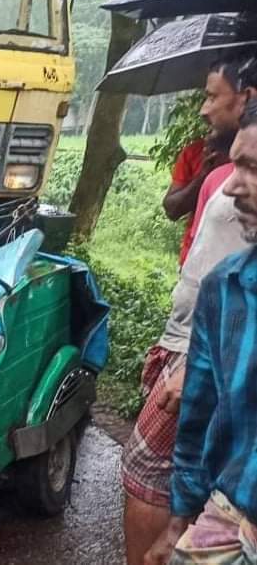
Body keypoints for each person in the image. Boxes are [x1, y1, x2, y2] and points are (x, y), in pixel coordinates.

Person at [122, 56, 256, 565]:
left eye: (253, 170)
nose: (233, 185)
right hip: (232, 511)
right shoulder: (228, 288)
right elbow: (200, 410)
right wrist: (179, 523)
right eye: (237, 166)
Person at [162, 60, 251, 265]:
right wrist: (204, 175)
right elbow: (172, 209)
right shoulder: (198, 156)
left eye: (213, 97)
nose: (203, 110)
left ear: (245, 98)